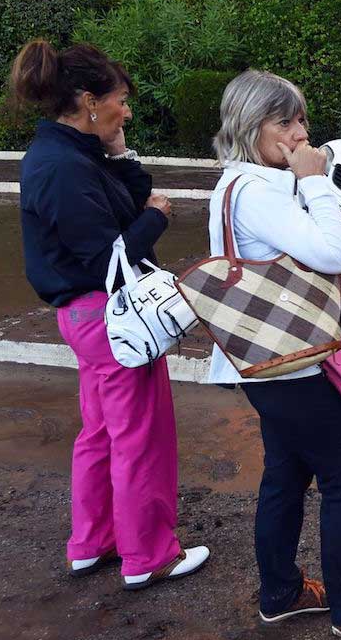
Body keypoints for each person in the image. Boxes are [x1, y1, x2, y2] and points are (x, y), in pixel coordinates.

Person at [208, 69, 341, 637]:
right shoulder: (259, 193)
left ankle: (283, 592)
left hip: (265, 358)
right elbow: (334, 253)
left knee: (286, 474)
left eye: (302, 118)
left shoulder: (236, 185)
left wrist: (300, 181)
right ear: (252, 126)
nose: (300, 132)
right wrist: (315, 181)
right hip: (290, 361)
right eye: (285, 120)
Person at [11, 40, 209, 589]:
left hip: (87, 319)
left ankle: (91, 542)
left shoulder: (70, 154)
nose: (126, 110)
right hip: (111, 316)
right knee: (139, 438)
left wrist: (121, 154)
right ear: (87, 99)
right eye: (119, 101)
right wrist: (156, 220)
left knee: (100, 433)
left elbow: (126, 198)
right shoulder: (64, 166)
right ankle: (148, 556)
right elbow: (107, 257)